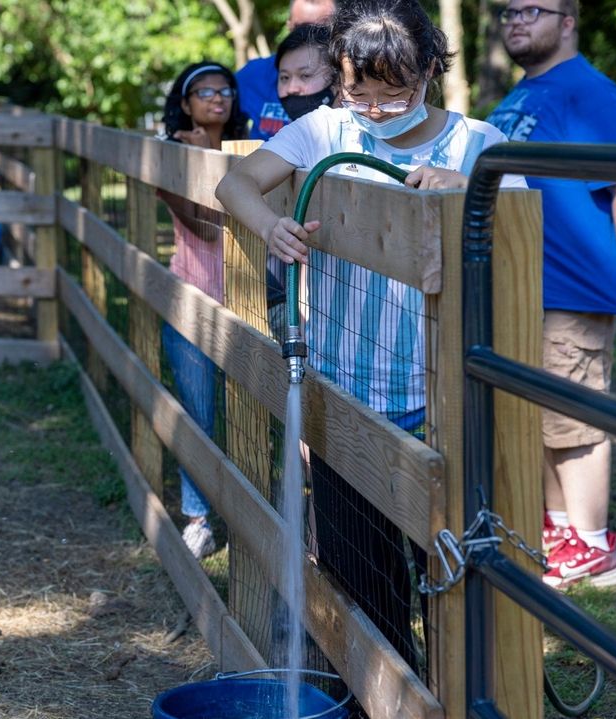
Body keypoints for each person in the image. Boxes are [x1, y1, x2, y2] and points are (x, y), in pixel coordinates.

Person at [217, 0, 526, 667]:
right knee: (363, 576)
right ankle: (376, 695)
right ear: (338, 76)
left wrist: (469, 190)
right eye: (361, 91)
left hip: (445, 402)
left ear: (431, 74)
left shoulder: (481, 145)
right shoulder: (324, 131)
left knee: (452, 577)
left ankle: (457, 695)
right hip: (345, 398)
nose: (379, 110)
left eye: (398, 93)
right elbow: (237, 181)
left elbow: (522, 241)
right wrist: (270, 225)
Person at [485, 0, 616, 590]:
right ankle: (561, 530)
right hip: (520, 287)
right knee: (540, 419)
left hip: (574, 287)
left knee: (575, 420)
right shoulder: (517, 98)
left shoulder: (593, 94)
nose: (516, 20)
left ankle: (593, 545)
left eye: (533, 9)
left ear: (568, 20)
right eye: (509, 11)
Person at [159, 61, 248, 559]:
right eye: (205, 91)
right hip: (191, 298)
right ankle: (198, 518)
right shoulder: (173, 157)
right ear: (186, 103)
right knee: (199, 412)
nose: (218, 98)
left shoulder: (253, 151)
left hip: (249, 302)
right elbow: (207, 227)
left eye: (226, 90)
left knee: (249, 413)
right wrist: (200, 162)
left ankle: (249, 507)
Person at [267, 22, 337, 339]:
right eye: (284, 78)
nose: (292, 87)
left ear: (338, 78)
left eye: (305, 76)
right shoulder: (293, 137)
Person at [235, 0, 336, 141]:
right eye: (284, 77)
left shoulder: (356, 82)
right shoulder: (254, 74)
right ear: (288, 25)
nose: (309, 34)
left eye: (321, 29)